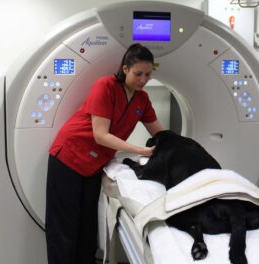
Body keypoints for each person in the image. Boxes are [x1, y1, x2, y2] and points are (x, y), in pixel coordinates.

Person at [45, 43, 163, 264]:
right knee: (64, 225)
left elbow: (160, 132)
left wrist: (177, 146)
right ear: (125, 69)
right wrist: (141, 150)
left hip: (94, 164)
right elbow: (100, 135)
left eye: (148, 74)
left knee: (87, 225)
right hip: (69, 156)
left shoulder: (142, 99)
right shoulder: (105, 86)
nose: (143, 80)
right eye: (138, 73)